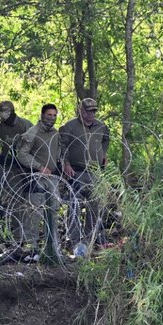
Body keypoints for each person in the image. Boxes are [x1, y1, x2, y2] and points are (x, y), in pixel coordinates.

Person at [59, 97, 111, 250]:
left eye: (93, 111)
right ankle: (74, 240)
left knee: (95, 205)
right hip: (76, 171)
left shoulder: (101, 127)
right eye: (88, 111)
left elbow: (105, 141)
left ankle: (91, 237)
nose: (91, 115)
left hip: (94, 172)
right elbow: (62, 147)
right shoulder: (70, 127)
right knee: (74, 205)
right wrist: (66, 164)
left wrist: (103, 155)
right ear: (81, 111)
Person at [16, 103, 63, 263]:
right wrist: (39, 167)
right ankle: (32, 249)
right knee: (34, 213)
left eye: (54, 115)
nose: (52, 118)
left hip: (53, 178)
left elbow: (59, 154)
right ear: (42, 115)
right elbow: (22, 155)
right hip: (36, 178)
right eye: (49, 115)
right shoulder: (32, 133)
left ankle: (53, 247)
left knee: (53, 211)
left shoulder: (56, 134)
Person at [0, 100, 33, 241]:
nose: (2, 118)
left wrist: (30, 168)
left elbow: (34, 146)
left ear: (11, 113)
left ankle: (18, 237)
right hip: (3, 163)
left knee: (17, 201)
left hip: (19, 167)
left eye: (4, 115)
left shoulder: (25, 125)